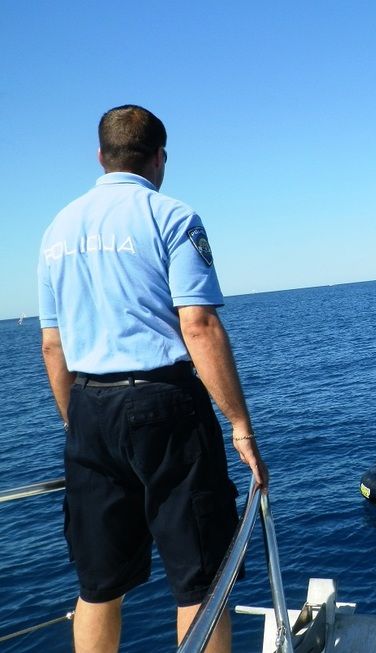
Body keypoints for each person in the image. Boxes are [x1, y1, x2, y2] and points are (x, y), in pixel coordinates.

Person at [37, 105, 268, 653]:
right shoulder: (172, 216)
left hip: (89, 407)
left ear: (101, 156)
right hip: (164, 405)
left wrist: (80, 423)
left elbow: (52, 345)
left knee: (97, 587)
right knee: (200, 583)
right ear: (159, 157)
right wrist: (240, 424)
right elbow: (200, 323)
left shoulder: (57, 228)